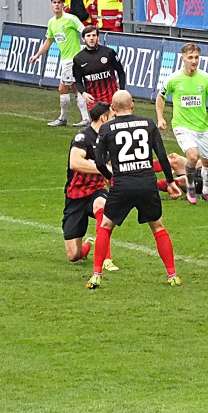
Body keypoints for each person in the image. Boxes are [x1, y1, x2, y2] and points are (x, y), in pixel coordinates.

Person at [88, 90, 182, 290]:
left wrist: (109, 175)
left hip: (122, 184)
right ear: (132, 106)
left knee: (105, 226)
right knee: (157, 227)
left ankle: (96, 275)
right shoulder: (148, 124)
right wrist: (170, 181)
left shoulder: (106, 128)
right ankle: (172, 275)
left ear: (112, 108)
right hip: (147, 182)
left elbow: (98, 160)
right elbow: (162, 155)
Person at [156, 42, 208, 204]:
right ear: (183, 58)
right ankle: (190, 186)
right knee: (192, 156)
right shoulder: (173, 79)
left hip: (202, 127)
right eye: (190, 57)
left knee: (207, 162)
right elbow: (160, 97)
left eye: (196, 57)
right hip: (182, 126)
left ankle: (207, 192)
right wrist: (160, 117)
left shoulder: (205, 78)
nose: (194, 61)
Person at [63, 101, 117, 271]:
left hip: (96, 191)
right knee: (74, 255)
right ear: (104, 117)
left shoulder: (110, 139)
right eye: (113, 117)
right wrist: (103, 170)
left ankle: (105, 259)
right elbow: (75, 162)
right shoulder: (83, 137)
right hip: (75, 196)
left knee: (102, 207)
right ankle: (88, 245)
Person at [29, 0, 88, 127]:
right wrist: (37, 55)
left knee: (63, 88)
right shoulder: (52, 22)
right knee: (76, 88)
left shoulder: (71, 19)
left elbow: (85, 31)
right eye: (54, 3)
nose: (56, 5)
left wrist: (91, 47)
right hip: (65, 60)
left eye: (59, 3)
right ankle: (85, 118)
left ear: (63, 5)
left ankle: (63, 118)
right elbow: (49, 41)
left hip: (73, 59)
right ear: (51, 5)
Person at [75, 25, 127, 106]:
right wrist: (83, 93)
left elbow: (121, 72)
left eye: (94, 35)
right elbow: (78, 81)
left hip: (111, 98)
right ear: (83, 39)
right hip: (93, 101)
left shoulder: (109, 52)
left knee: (112, 118)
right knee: (99, 119)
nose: (91, 38)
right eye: (88, 36)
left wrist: (122, 90)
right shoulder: (78, 59)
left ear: (98, 37)